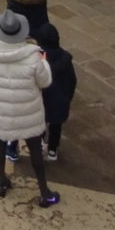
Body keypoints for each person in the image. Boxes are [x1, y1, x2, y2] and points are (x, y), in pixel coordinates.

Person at [0, 9, 59, 207]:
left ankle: (1, 182)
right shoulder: (34, 56)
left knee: (0, 143)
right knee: (35, 148)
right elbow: (45, 82)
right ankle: (45, 193)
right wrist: (44, 63)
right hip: (27, 112)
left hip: (0, 110)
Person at [35, 23, 77, 161]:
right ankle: (52, 150)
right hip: (60, 101)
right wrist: (67, 97)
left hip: (42, 101)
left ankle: (40, 144)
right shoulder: (65, 58)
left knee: (40, 124)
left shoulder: (40, 58)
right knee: (56, 126)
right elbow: (72, 80)